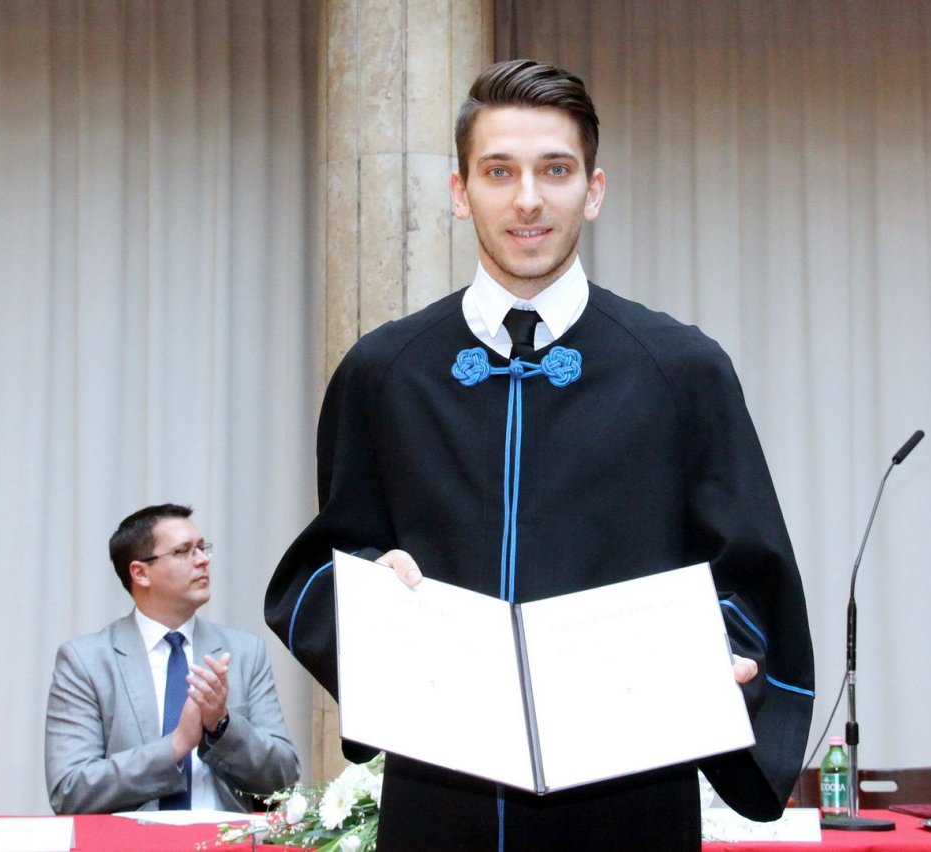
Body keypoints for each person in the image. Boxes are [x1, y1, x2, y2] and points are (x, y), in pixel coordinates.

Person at [265, 59, 814, 849]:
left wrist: (720, 655)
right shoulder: (385, 372)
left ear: (593, 189)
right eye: (499, 171)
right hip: (440, 805)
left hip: (630, 802)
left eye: (555, 170)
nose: (528, 199)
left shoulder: (680, 370)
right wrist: (373, 597)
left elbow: (752, 578)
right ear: (460, 192)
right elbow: (326, 565)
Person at [46, 503, 300, 814]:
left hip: (226, 837)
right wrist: (175, 746)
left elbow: (285, 778)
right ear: (140, 573)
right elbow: (69, 790)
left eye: (202, 548)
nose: (203, 560)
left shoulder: (245, 652)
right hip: (132, 839)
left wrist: (222, 725)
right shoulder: (86, 661)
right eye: (183, 551)